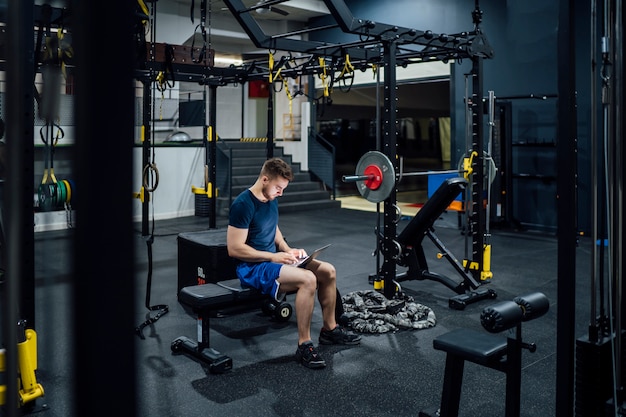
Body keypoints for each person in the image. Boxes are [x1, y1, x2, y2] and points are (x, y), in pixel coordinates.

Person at [227, 157, 361, 369]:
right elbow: (234, 248)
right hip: (252, 269)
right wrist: (273, 257)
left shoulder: (271, 198)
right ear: (264, 179)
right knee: (308, 279)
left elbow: (274, 229)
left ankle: (330, 329)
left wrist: (287, 250)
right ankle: (304, 345)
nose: (281, 192)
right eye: (278, 187)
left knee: (328, 271)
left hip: (272, 262)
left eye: (283, 188)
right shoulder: (243, 204)